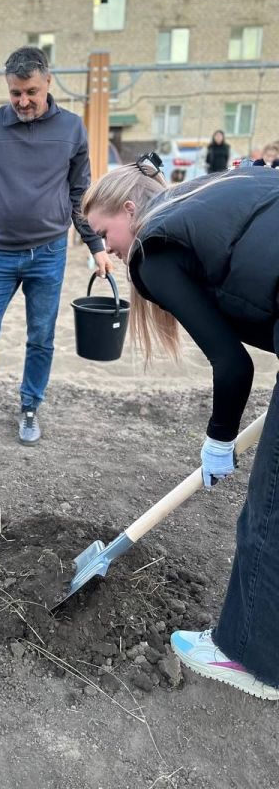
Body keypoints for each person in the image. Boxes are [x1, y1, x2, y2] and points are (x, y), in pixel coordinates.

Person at [82, 156, 279, 700]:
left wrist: (218, 440)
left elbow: (233, 365)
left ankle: (250, 659)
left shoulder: (154, 248)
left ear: (128, 209)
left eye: (103, 234)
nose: (110, 251)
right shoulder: (216, 189)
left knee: (270, 509)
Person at [0, 46, 112, 446]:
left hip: (48, 255)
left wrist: (96, 245)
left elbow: (79, 193)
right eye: (15, 93)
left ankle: (30, 407)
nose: (23, 101)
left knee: (41, 337)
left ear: (48, 81)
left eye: (31, 91)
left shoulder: (71, 129)